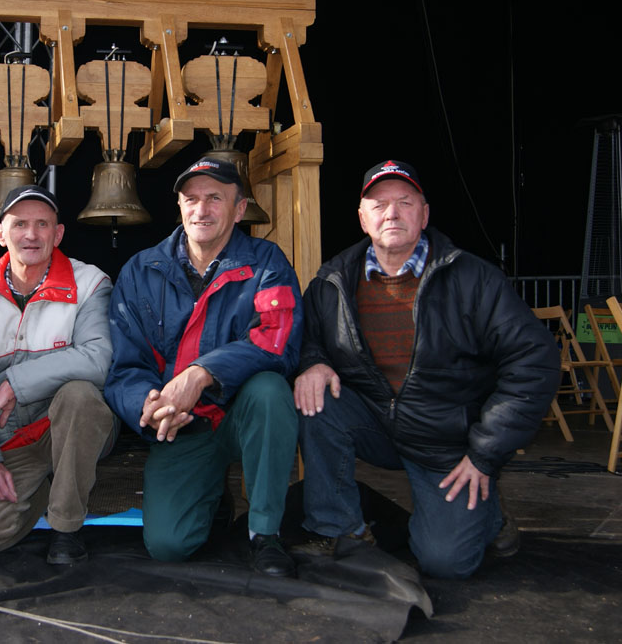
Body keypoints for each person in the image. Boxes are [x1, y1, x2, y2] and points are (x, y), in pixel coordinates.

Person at [294, 159, 560, 579]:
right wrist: (314, 362)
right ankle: (342, 531)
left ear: (424, 214)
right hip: (378, 422)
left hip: (447, 442)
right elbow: (307, 336)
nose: (392, 214)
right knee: (315, 400)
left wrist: (485, 453)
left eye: (405, 202)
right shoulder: (332, 282)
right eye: (379, 205)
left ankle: (490, 517)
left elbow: (534, 361)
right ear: (362, 219)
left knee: (445, 562)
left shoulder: (474, 279)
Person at [104, 157, 303, 577]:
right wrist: (148, 404)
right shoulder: (140, 271)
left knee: (270, 391)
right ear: (179, 206)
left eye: (215, 198)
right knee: (168, 546)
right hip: (183, 426)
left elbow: (277, 341)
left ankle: (265, 533)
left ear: (240, 208)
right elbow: (125, 365)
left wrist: (200, 374)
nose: (202, 209)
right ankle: (213, 499)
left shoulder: (267, 262)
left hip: (243, 415)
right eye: (191, 199)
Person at [0, 185, 118, 565]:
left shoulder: (91, 283)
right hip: (8, 440)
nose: (31, 235)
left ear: (59, 234)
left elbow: (100, 359)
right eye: (20, 224)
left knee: (80, 394)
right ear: (1, 233)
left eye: (43, 224)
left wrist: (15, 383)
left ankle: (66, 528)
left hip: (65, 428)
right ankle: (43, 486)